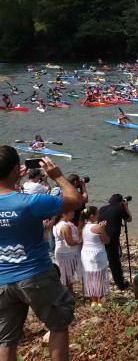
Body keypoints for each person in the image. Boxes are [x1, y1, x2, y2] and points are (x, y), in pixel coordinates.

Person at [0, 147, 82, 361]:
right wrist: (57, 176)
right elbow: (75, 200)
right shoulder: (31, 202)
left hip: (2, 279)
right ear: (17, 169)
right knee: (58, 324)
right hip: (34, 274)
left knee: (7, 340)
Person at [98, 194, 133, 292]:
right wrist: (126, 207)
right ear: (120, 202)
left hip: (100, 236)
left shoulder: (102, 208)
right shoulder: (120, 209)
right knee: (114, 261)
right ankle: (120, 283)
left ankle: (102, 280)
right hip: (112, 239)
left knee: (104, 259)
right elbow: (129, 219)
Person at [80, 206, 110, 306]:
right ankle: (99, 300)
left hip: (86, 253)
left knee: (89, 277)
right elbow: (106, 240)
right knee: (99, 277)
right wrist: (103, 228)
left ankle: (93, 300)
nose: (99, 215)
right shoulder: (97, 227)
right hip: (97, 254)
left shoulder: (82, 226)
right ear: (92, 216)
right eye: (97, 214)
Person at [52, 210, 81, 293]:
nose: (73, 212)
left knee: (66, 276)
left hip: (61, 251)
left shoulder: (56, 224)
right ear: (64, 213)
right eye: (71, 211)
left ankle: (68, 294)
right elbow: (70, 242)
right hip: (67, 253)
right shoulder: (65, 226)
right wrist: (82, 240)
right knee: (67, 277)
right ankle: (68, 295)